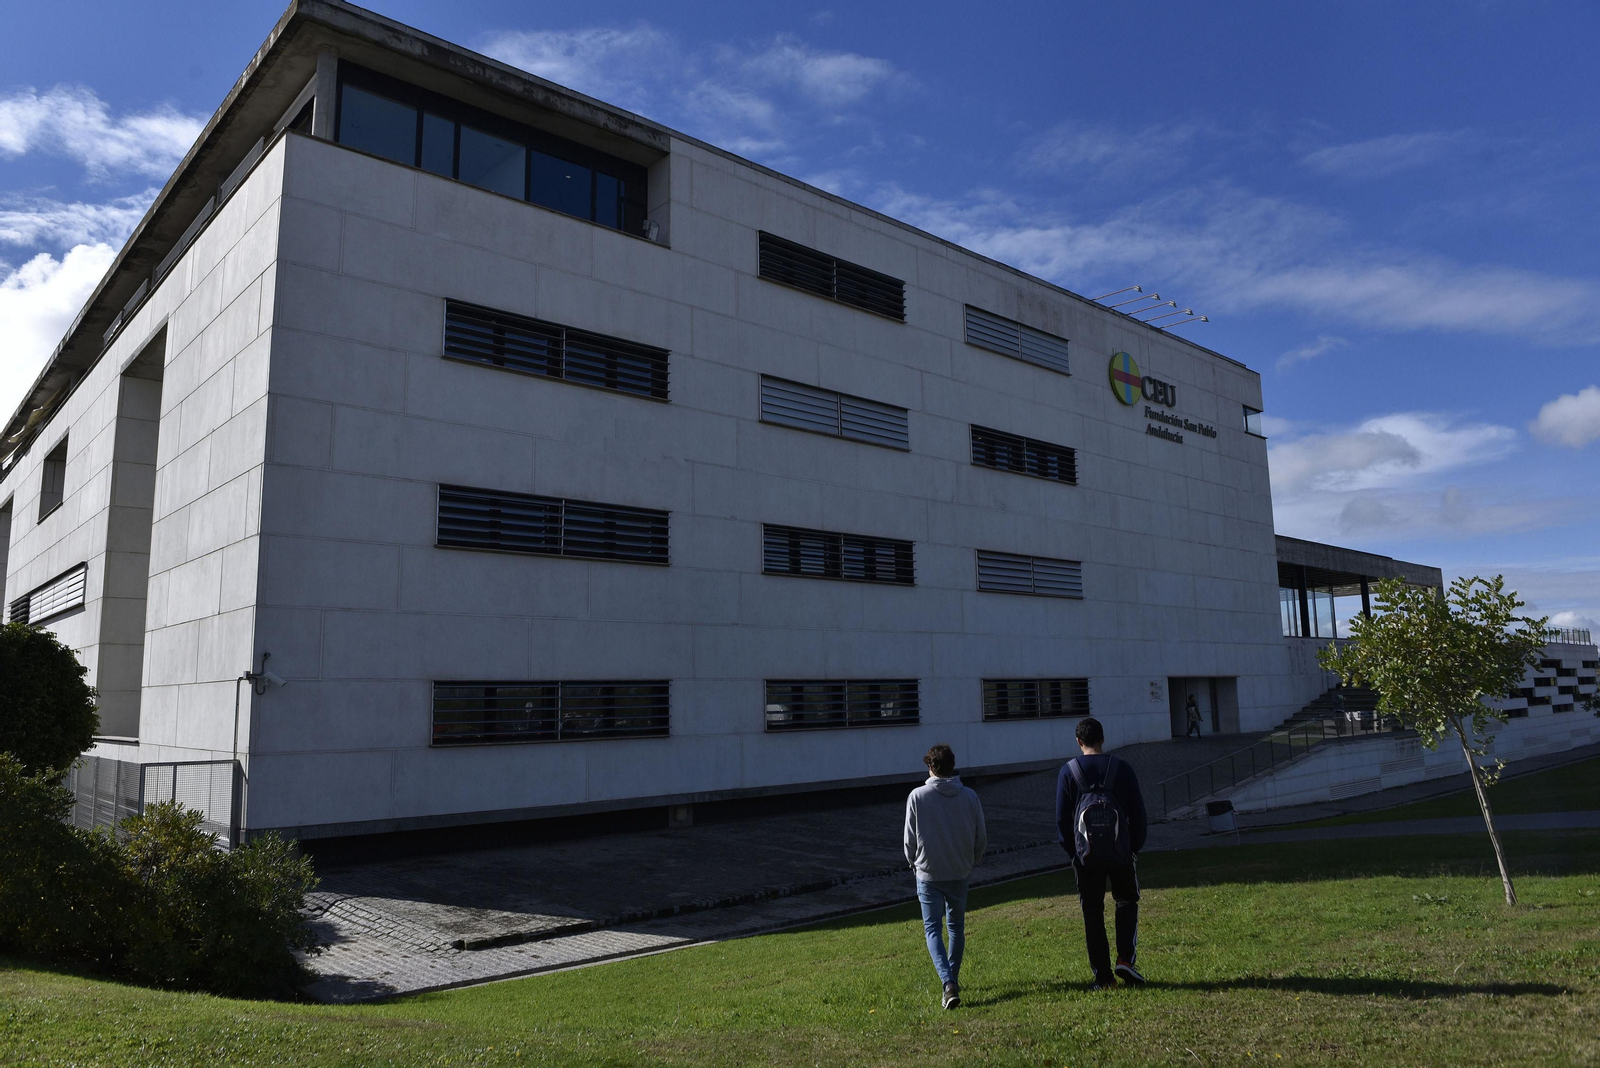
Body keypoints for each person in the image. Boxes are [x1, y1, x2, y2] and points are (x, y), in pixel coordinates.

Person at [1056, 717, 1149, 989]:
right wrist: (1134, 847)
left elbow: (1062, 820)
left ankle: (1104, 976)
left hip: (1085, 856)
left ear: (1078, 741)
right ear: (1103, 739)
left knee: (1092, 911)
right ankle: (1126, 960)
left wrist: (1074, 853)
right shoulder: (1122, 768)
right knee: (1126, 900)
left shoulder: (1068, 771)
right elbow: (1138, 813)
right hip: (1121, 851)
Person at [903, 743, 987, 1009]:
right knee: (956, 927)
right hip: (960, 870)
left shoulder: (917, 796)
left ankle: (948, 983)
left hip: (928, 873)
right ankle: (952, 980)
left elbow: (909, 841)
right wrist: (971, 861)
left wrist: (913, 863)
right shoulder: (970, 796)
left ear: (931, 766)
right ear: (953, 766)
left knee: (932, 929)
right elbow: (981, 837)